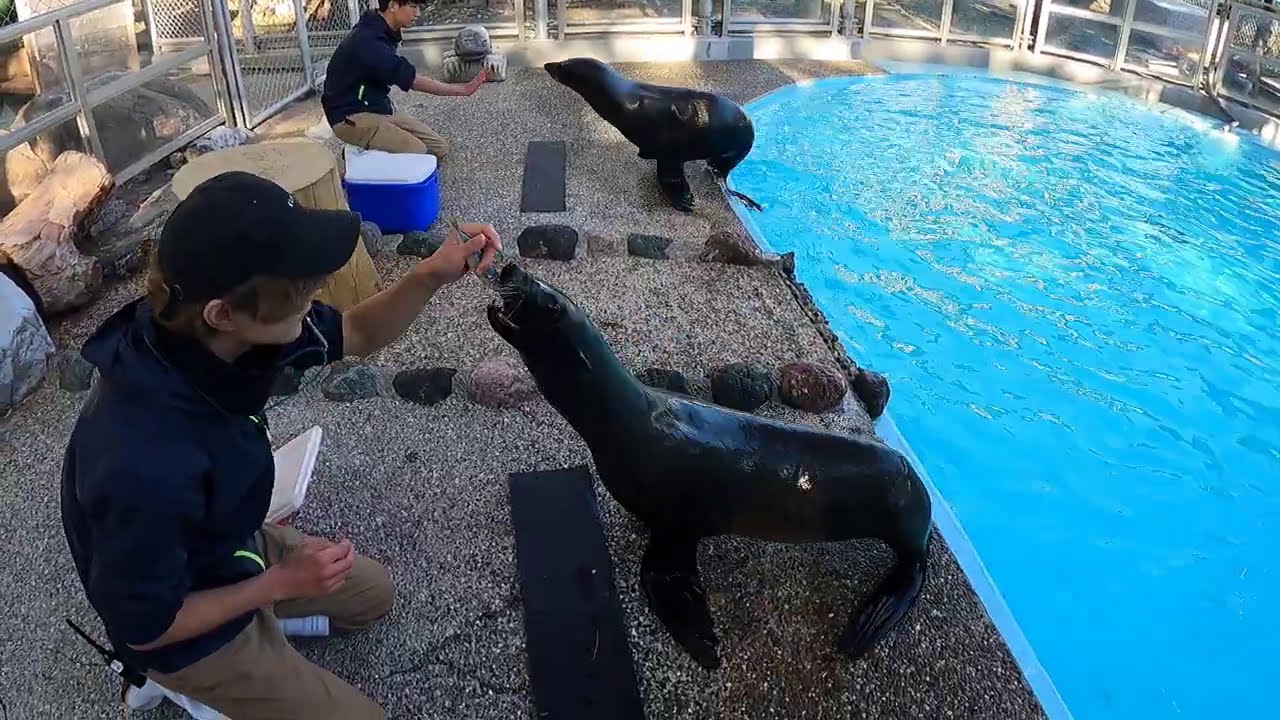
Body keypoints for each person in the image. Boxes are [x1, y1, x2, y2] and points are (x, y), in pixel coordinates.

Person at [59, 170, 501, 720]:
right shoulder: (143, 459)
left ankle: (264, 633)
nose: (309, 309)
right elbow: (146, 626)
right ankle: (178, 683)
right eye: (298, 302)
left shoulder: (211, 331)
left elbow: (358, 333)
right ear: (223, 313)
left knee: (373, 596)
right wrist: (274, 585)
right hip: (179, 625)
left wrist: (430, 275)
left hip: (220, 541)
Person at [322, 0, 487, 158]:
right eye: (413, 6)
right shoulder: (367, 41)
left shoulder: (382, 30)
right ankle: (352, 157)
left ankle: (371, 145)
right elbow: (410, 78)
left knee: (439, 149)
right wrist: (462, 90)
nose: (418, 13)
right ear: (393, 5)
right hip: (349, 116)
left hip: (377, 107)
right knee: (421, 156)